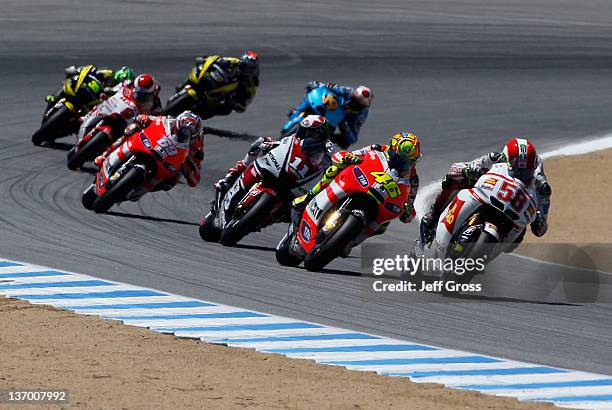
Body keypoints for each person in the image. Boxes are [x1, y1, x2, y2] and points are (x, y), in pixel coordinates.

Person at [292, 132, 421, 253]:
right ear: (391, 148)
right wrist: (348, 158)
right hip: (361, 180)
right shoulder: (378, 148)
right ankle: (309, 197)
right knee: (335, 168)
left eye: (409, 161)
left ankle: (351, 242)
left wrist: (407, 211)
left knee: (383, 226)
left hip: (382, 198)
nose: (404, 163)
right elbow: (353, 154)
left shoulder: (413, 178)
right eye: (399, 157)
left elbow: (410, 203)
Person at [420, 138, 552, 246]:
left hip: (513, 207)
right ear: (505, 160)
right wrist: (469, 170)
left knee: (516, 241)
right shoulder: (495, 158)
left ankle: (485, 253)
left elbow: (541, 226)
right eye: (516, 168)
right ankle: (434, 215)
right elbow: (459, 167)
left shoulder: (539, 177)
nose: (520, 173)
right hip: (488, 192)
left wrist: (540, 219)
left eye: (525, 171)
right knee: (456, 178)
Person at [213, 115, 334, 196]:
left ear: (321, 136)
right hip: (282, 162)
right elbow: (283, 140)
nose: (305, 135)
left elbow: (327, 165)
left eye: (310, 134)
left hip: (301, 176)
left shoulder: (327, 147)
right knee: (260, 141)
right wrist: (271, 144)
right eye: (303, 131)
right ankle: (232, 175)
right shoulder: (296, 134)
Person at [95, 111, 204, 197]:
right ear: (176, 124)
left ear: (195, 135)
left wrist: (189, 170)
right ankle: (106, 155)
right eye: (180, 131)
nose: (182, 135)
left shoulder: (197, 146)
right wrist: (144, 118)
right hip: (152, 146)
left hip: (170, 161)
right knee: (132, 128)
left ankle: (140, 189)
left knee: (172, 180)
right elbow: (152, 119)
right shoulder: (169, 121)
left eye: (186, 134)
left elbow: (195, 179)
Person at [173, 50, 259, 119]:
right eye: (244, 65)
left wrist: (236, 103)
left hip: (224, 97)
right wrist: (204, 60)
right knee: (198, 75)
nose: (246, 69)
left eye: (249, 68)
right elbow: (215, 60)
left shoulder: (251, 83)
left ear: (254, 69)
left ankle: (200, 115)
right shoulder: (233, 62)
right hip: (217, 81)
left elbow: (244, 104)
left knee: (225, 110)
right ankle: (183, 86)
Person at [287, 81, 373, 148]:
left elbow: (354, 134)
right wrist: (317, 85)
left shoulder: (361, 115)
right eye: (354, 100)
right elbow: (331, 86)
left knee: (332, 139)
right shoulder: (349, 91)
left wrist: (345, 133)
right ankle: (296, 113)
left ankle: (318, 143)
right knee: (309, 97)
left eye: (358, 104)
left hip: (337, 120)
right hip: (328, 107)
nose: (354, 104)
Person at [45, 65, 135, 111]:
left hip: (96, 104)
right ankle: (55, 97)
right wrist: (77, 70)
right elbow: (90, 70)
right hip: (87, 91)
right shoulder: (107, 73)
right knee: (71, 80)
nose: (115, 83)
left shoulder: (120, 90)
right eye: (116, 81)